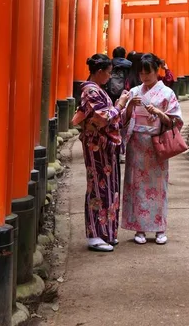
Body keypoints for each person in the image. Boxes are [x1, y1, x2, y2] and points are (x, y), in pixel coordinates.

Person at [73, 54, 137, 252]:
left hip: (105, 147)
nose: (110, 77)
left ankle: (107, 232)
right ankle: (95, 234)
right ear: (99, 72)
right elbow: (103, 118)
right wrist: (120, 104)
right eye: (108, 73)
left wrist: (124, 106)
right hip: (96, 146)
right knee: (98, 187)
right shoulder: (90, 91)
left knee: (109, 187)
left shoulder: (97, 90)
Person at [121, 53, 183, 246]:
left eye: (148, 73)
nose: (144, 77)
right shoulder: (134, 92)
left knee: (157, 187)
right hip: (136, 144)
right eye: (141, 74)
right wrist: (130, 106)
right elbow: (123, 118)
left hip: (156, 145)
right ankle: (139, 228)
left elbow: (175, 120)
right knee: (137, 187)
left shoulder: (167, 93)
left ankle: (159, 228)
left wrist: (160, 114)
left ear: (156, 71)